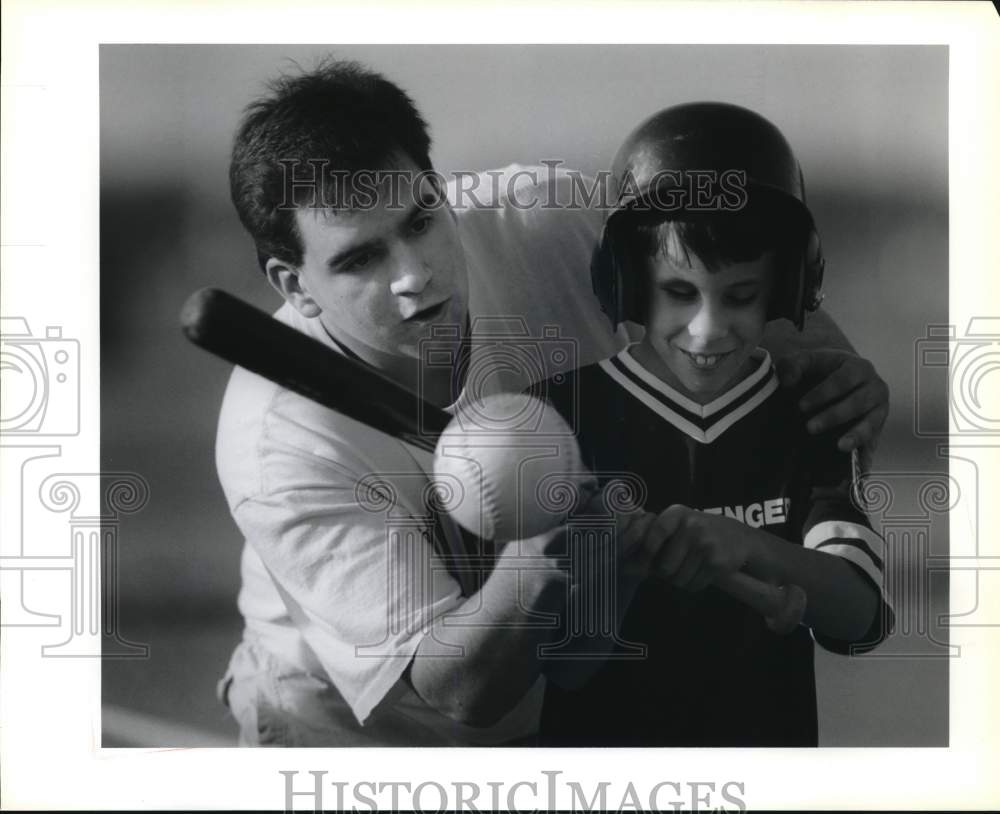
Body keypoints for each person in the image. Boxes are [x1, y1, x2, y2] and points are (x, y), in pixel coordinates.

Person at [214, 58, 890, 746]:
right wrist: (542, 553)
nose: (413, 275)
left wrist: (831, 367)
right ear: (294, 286)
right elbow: (458, 692)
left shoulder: (552, 221)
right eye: (361, 260)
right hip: (353, 732)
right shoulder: (281, 445)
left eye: (421, 221)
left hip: (566, 707)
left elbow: (729, 266)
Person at [537, 102, 894, 746]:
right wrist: (614, 563)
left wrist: (749, 548)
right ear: (627, 282)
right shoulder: (556, 417)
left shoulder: (808, 415)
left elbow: (858, 616)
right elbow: (565, 666)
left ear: (788, 287)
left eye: (740, 295)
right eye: (679, 292)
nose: (707, 329)